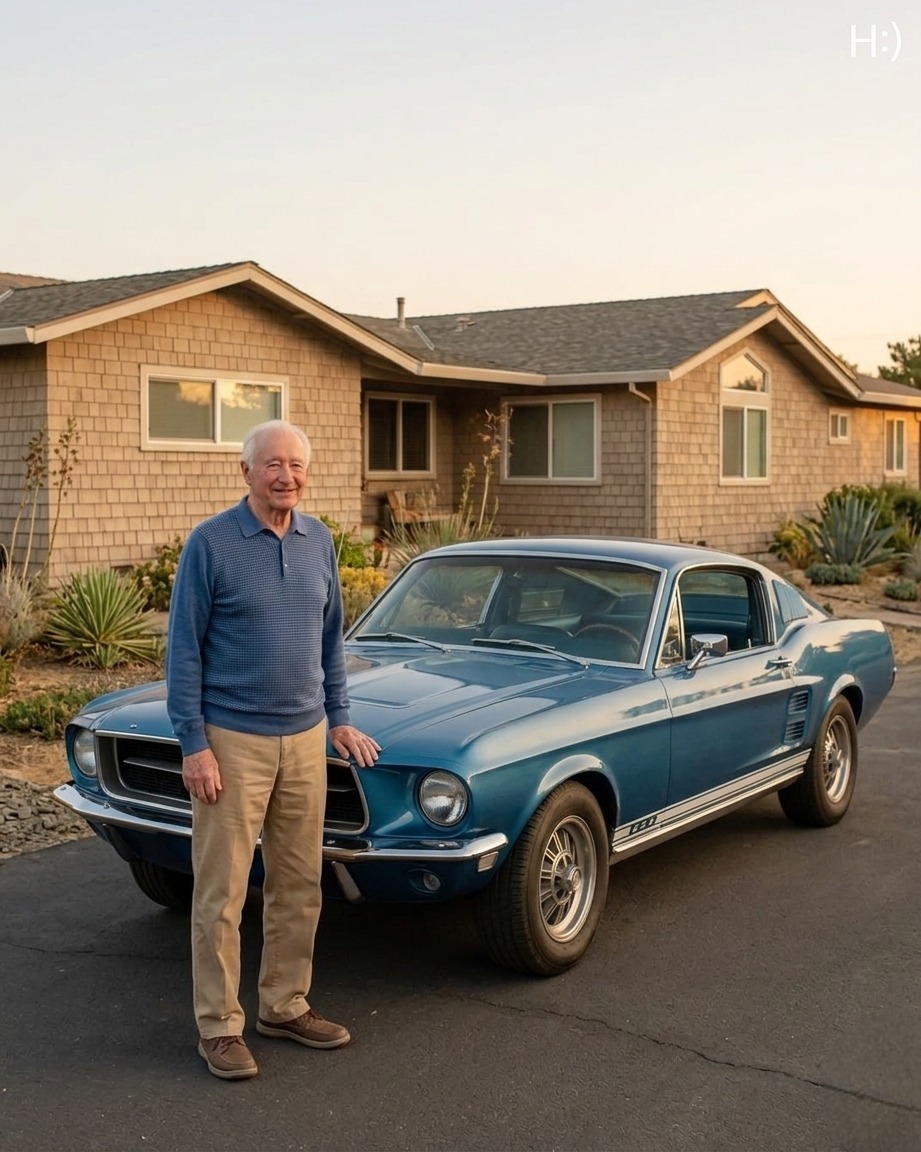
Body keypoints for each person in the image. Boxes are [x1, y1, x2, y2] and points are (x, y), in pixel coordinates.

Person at [166, 419, 380, 1081]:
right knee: (222, 893)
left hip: (306, 738)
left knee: (298, 883)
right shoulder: (211, 544)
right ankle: (219, 1026)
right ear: (246, 471)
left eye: (295, 465)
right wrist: (194, 744)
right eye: (272, 465)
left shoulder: (318, 543)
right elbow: (183, 652)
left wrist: (338, 719)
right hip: (233, 742)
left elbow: (329, 645)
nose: (285, 476)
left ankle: (284, 1004)